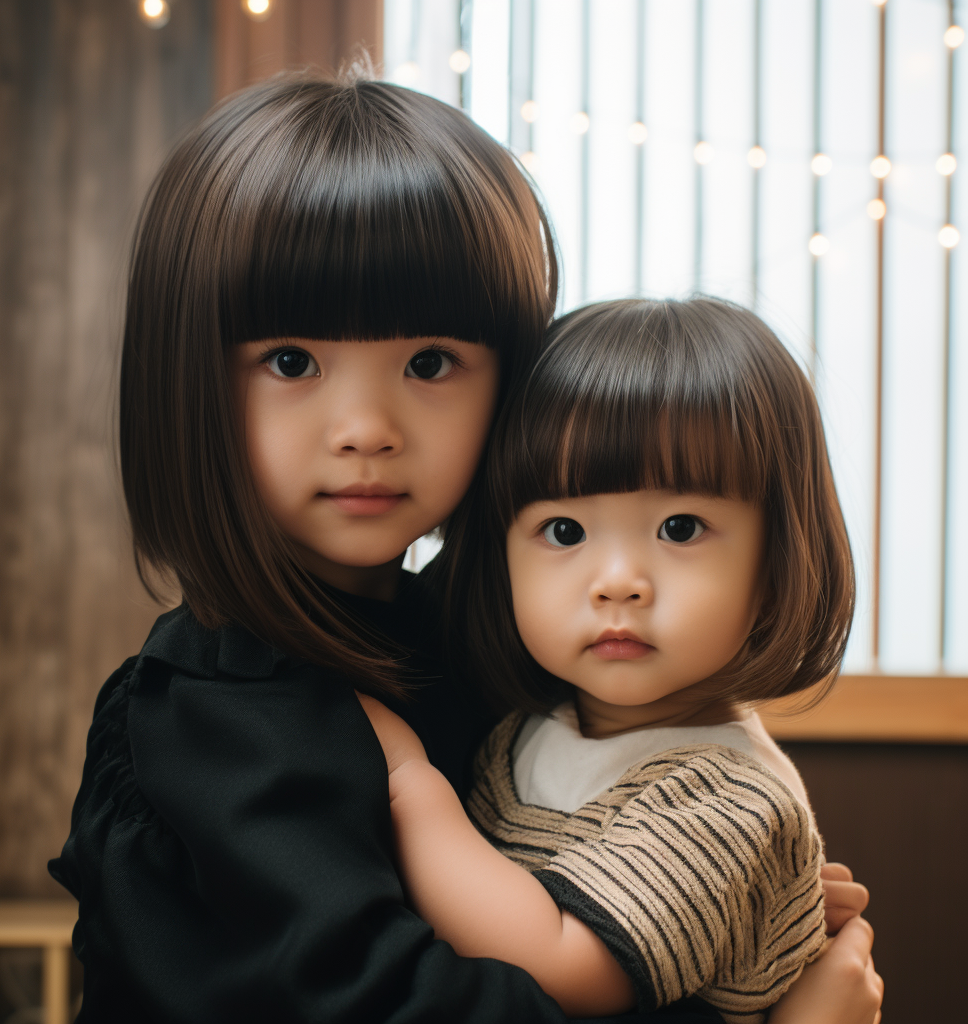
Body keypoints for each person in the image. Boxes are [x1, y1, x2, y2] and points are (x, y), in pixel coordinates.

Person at [48, 71, 880, 1023]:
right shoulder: (220, 719)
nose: (365, 426)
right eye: (292, 362)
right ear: (185, 376)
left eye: (429, 362)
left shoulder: (474, 629)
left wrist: (729, 917)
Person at [359, 298, 884, 1022]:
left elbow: (560, 966)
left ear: (776, 560)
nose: (617, 581)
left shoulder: (729, 798)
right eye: (564, 529)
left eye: (680, 526)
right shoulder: (536, 725)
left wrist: (409, 786)